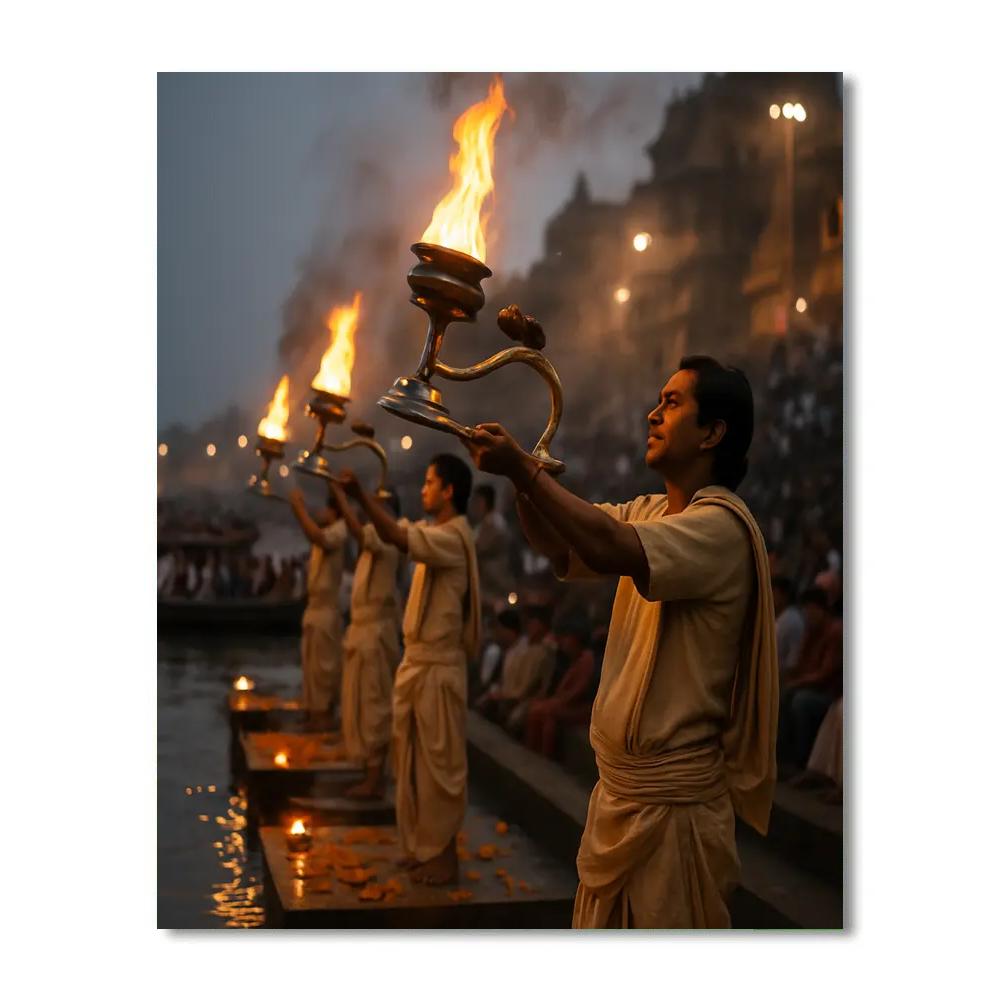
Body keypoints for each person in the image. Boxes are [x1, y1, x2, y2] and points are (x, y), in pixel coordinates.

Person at [465, 355, 778, 928]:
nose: (652, 414)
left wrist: (526, 471)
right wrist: (517, 476)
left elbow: (610, 546)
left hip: (673, 813)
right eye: (658, 401)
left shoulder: (722, 527)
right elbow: (561, 547)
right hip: (619, 799)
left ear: (713, 433)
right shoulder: (652, 511)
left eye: (673, 403)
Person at [350, 454, 480, 885]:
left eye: (429, 482)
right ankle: (422, 848)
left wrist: (360, 496)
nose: (423, 490)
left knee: (438, 768)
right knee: (409, 763)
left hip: (438, 670)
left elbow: (394, 535)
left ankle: (444, 856)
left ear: (448, 492)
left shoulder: (454, 537)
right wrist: (361, 501)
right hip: (417, 665)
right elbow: (387, 533)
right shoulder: (432, 532)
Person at [327, 474, 402, 800]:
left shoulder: (390, 537)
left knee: (374, 706)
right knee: (358, 703)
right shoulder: (375, 536)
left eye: (377, 506)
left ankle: (375, 780)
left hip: (375, 634)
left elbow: (358, 529)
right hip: (361, 632)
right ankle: (366, 773)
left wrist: (344, 496)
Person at [289, 487, 347, 731]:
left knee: (324, 677)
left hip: (325, 614)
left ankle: (322, 727)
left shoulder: (339, 531)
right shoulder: (325, 530)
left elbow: (317, 537)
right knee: (311, 678)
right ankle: (313, 722)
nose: (320, 513)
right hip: (313, 612)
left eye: (324, 508)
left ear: (333, 510)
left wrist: (299, 509)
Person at [778, 590, 842, 770]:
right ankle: (782, 757)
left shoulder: (835, 632)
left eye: (812, 610)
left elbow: (824, 674)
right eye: (806, 610)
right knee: (783, 695)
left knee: (801, 701)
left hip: (826, 693)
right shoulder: (810, 630)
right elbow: (799, 664)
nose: (808, 615)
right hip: (807, 686)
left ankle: (800, 761)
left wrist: (795, 683)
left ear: (822, 610)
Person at [522, 615, 595, 758]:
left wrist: (554, 703)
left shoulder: (587, 661)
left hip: (581, 708)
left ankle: (541, 756)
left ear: (575, 640)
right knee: (541, 714)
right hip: (567, 704)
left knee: (542, 710)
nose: (564, 643)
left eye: (567, 639)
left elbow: (576, 692)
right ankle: (533, 752)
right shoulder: (575, 658)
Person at [474, 609, 525, 719]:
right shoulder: (509, 650)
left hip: (512, 698)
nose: (497, 633)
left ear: (508, 630)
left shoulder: (521, 653)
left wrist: (498, 695)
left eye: (499, 629)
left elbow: (517, 687)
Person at [470, 483, 514, 611]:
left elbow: (480, 548)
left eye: (478, 502)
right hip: (485, 581)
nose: (475, 506)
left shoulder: (495, 525)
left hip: (496, 581)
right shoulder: (482, 525)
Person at [773, 576, 805, 676]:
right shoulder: (778, 617)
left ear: (784, 596)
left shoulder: (792, 621)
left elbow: (792, 662)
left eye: (773, 593)